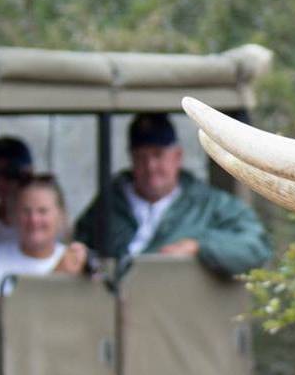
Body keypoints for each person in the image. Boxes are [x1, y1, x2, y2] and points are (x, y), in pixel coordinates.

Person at [75, 114, 270, 274]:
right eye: (141, 157)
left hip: (179, 314)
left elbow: (256, 247)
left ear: (177, 157)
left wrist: (200, 247)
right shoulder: (108, 204)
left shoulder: (209, 205)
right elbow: (79, 244)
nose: (150, 167)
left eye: (158, 155)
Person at [0, 174, 88, 292]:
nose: (34, 219)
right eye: (26, 211)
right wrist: (57, 276)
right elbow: (7, 309)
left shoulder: (73, 260)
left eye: (42, 211)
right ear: (14, 215)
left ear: (60, 215)